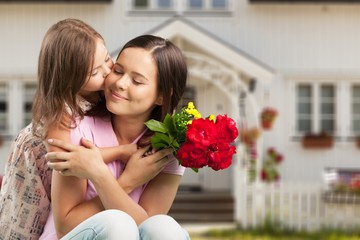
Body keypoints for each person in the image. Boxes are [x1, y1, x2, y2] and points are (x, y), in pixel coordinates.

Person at [0, 19, 169, 239]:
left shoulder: (102, 96)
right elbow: (73, 159)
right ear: (71, 80)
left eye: (108, 59)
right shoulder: (61, 114)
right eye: (95, 72)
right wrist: (121, 154)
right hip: (32, 199)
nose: (109, 72)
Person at [41, 35, 190, 239]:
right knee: (117, 223)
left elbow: (147, 229)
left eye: (137, 81)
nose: (120, 83)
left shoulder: (169, 148)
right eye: (118, 70)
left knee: (165, 227)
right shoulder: (76, 128)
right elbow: (65, 226)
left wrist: (100, 174)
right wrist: (128, 181)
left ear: (162, 95)